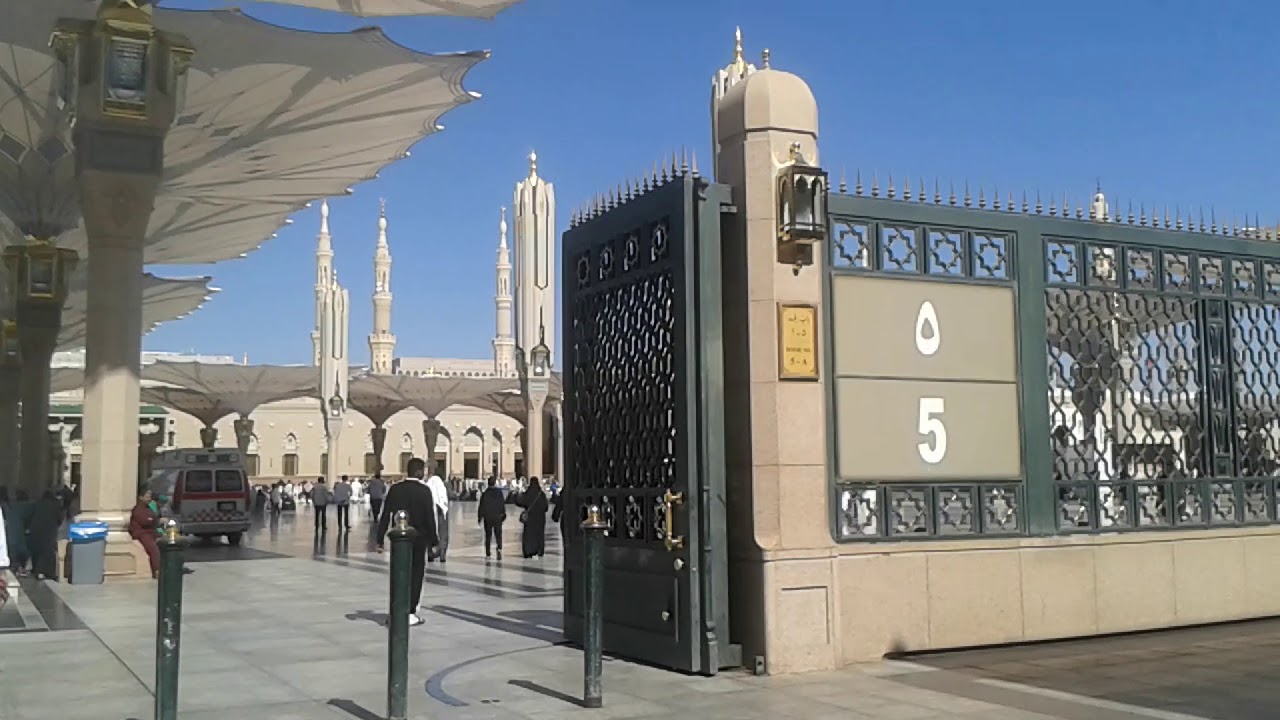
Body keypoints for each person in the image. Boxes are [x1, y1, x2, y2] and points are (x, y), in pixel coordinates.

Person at [376, 457, 438, 627]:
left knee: (399, 574)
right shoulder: (424, 491)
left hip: (398, 540)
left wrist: (379, 539)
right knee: (416, 575)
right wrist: (434, 541)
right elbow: (429, 518)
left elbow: (385, 515)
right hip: (419, 539)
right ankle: (410, 612)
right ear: (418, 472)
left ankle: (396, 610)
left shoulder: (395, 489)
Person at [27, 491, 62, 580]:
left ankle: (38, 571)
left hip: (36, 529)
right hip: (49, 530)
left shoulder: (36, 504)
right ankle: (48, 572)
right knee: (48, 551)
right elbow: (60, 518)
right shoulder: (55, 505)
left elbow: (30, 516)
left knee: (37, 550)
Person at [129, 488, 162, 578]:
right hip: (142, 533)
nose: (149, 498)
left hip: (151, 532)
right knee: (153, 549)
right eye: (147, 496)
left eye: (150, 496)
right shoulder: (138, 509)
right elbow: (145, 521)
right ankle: (157, 570)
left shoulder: (149, 508)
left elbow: (154, 519)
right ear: (141, 497)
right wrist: (154, 520)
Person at [518, 477, 549, 559]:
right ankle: (539, 550)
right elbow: (546, 507)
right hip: (540, 519)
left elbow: (520, 502)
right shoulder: (541, 494)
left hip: (530, 519)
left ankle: (528, 551)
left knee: (529, 535)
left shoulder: (528, 493)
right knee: (539, 534)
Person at [423, 464, 450, 563]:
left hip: (431, 510)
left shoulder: (429, 482)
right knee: (443, 533)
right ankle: (442, 554)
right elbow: (448, 495)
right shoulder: (443, 484)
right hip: (442, 511)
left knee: (431, 531)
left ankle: (431, 553)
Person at [477, 476, 507, 560]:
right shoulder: (499, 493)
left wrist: (480, 517)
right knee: (498, 535)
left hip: (488, 517)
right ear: (495, 483)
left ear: (488, 483)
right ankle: (499, 549)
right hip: (497, 517)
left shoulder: (485, 493)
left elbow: (481, 506)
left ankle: (488, 554)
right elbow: (502, 504)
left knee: (488, 536)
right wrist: (503, 514)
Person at [4, 490, 31, 576]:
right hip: (18, 537)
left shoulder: (9, 506)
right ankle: (19, 568)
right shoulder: (26, 507)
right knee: (22, 552)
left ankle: (16, 568)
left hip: (11, 537)